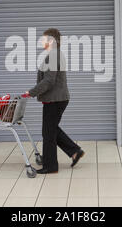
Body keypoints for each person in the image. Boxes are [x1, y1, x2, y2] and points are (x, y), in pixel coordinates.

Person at [24, 28, 84, 174]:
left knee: (48, 133)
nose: (42, 41)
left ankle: (50, 167)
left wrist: (31, 92)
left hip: (55, 100)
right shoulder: (54, 54)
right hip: (56, 99)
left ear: (51, 40)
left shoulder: (53, 55)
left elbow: (49, 81)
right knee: (50, 130)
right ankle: (75, 151)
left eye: (44, 39)